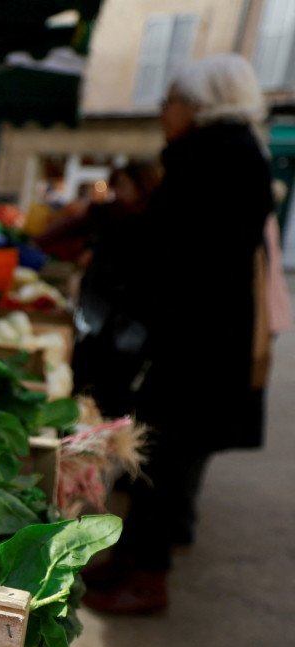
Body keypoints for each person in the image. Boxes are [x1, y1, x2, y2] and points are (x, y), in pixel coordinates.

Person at [85, 55, 275, 615]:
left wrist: (119, 234)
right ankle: (131, 560)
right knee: (152, 455)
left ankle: (148, 578)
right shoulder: (224, 154)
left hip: (196, 344)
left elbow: (179, 254)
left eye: (171, 100)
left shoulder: (218, 158)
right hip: (194, 337)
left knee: (164, 461)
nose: (163, 112)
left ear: (201, 105)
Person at [38, 162, 162, 417]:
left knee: (109, 383)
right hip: (103, 311)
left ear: (141, 187)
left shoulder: (141, 220)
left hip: (127, 318)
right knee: (90, 377)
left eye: (123, 185)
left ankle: (96, 433)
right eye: (115, 186)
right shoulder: (114, 214)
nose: (117, 192)